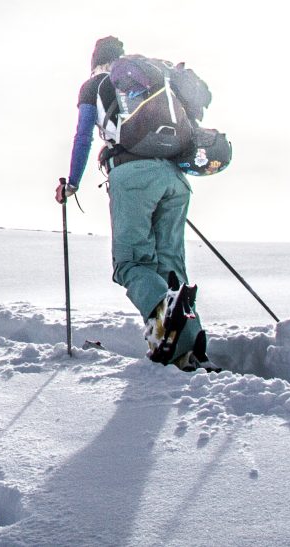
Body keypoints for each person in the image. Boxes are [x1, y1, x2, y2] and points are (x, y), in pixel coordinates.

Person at [57, 34, 200, 366]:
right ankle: (187, 350)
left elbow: (83, 136)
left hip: (132, 176)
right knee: (170, 266)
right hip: (175, 178)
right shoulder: (153, 82)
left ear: (95, 62)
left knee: (132, 263)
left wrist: (73, 183)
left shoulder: (95, 85)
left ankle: (171, 334)